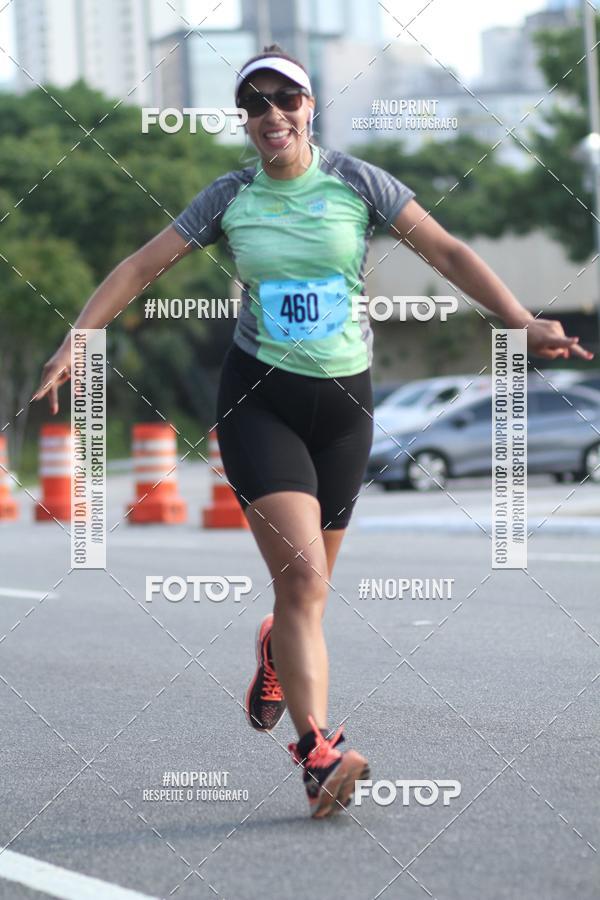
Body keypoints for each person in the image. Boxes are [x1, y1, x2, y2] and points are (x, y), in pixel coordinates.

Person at [34, 44, 593, 820]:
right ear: (245, 119)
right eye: (256, 104)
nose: (272, 115)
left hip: (345, 409)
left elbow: (448, 251)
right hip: (259, 401)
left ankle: (274, 654)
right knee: (301, 580)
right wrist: (78, 340)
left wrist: (522, 320)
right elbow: (137, 268)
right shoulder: (229, 198)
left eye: (285, 99)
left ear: (310, 106)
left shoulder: (359, 184)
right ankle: (316, 752)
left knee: (310, 597)